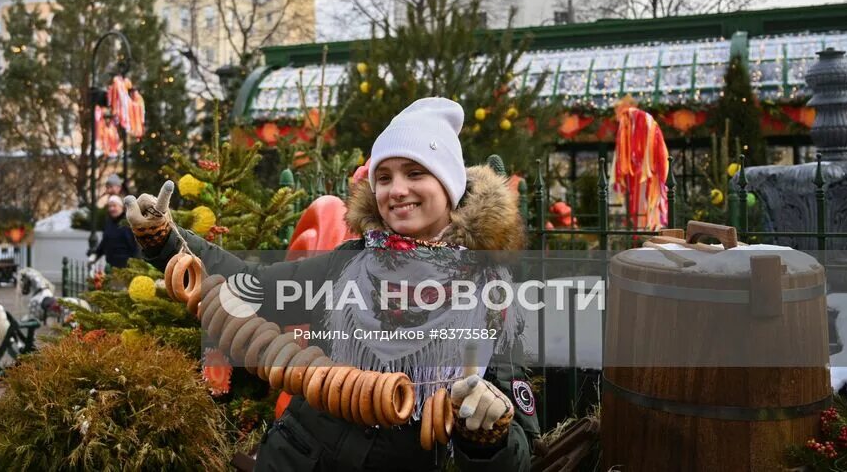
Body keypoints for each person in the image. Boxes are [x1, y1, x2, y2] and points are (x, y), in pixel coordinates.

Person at [125, 98, 538, 471]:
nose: (397, 191)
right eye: (385, 176)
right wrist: (166, 239)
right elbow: (249, 287)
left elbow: (519, 451)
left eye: (416, 173)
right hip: (298, 461)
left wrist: (489, 434)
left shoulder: (494, 296)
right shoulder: (349, 265)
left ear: (449, 186)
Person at [94, 194, 139, 269]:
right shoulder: (108, 223)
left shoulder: (128, 223)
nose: (111, 209)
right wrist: (96, 255)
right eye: (110, 206)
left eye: (114, 206)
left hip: (127, 267)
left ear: (121, 207)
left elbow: (136, 246)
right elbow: (104, 242)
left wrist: (135, 265)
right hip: (111, 265)